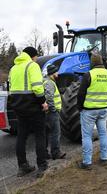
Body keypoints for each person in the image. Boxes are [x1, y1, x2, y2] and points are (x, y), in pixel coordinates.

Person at [9, 46, 48, 178]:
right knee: (40, 135)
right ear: (32, 56)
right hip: (33, 106)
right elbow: (37, 88)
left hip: (18, 107)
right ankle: (42, 166)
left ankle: (22, 166)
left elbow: (11, 89)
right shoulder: (32, 66)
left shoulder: (13, 68)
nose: (37, 59)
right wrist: (43, 102)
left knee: (22, 136)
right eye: (36, 57)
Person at [77, 54, 107, 170]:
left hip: (89, 110)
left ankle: (87, 163)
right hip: (103, 109)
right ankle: (104, 158)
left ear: (92, 63)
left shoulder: (89, 74)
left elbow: (81, 93)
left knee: (87, 136)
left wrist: (80, 107)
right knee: (103, 134)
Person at [43, 64, 66, 160]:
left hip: (50, 111)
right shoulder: (49, 83)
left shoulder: (49, 81)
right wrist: (53, 109)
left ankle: (45, 153)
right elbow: (49, 97)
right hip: (52, 112)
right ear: (52, 73)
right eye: (56, 72)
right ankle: (55, 153)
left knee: (46, 132)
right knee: (55, 132)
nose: (58, 73)